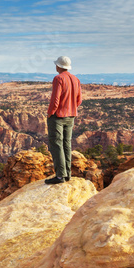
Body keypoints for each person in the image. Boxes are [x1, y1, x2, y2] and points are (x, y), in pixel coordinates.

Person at [45, 55, 82, 184]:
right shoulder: (75, 79)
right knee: (67, 144)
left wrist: (50, 113)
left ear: (59, 66)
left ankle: (60, 176)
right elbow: (79, 100)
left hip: (58, 117)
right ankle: (67, 175)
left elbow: (55, 100)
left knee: (56, 144)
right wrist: (71, 108)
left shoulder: (58, 78)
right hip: (71, 116)